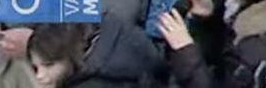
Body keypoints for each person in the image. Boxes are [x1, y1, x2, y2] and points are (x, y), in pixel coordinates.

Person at [24, 20, 165, 87]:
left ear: (69, 57)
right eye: (35, 68)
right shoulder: (119, 37)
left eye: (48, 65)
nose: (40, 76)